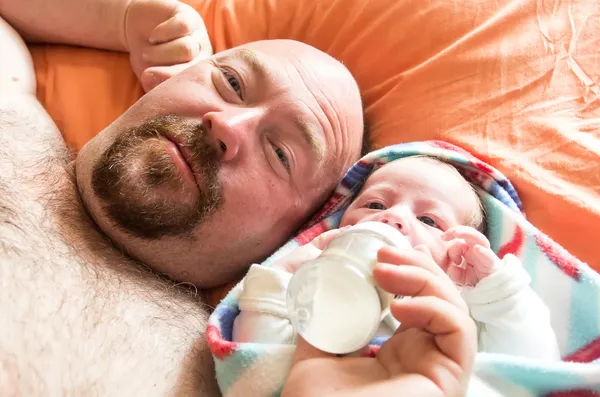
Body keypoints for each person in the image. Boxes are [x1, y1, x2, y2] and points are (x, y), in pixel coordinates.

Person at [0, 1, 478, 396]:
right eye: (230, 83)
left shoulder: (233, 374)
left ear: (294, 235)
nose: (226, 125)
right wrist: (123, 20)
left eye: (280, 154)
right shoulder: (11, 116)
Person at [233, 156, 560, 365]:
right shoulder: (317, 289)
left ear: (457, 260)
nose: (393, 217)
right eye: (374, 205)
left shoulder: (464, 310)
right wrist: (280, 278)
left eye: (429, 221)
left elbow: (531, 368)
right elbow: (255, 367)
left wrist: (499, 294)